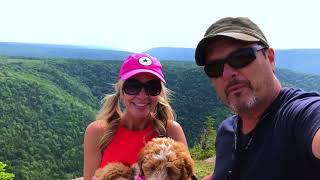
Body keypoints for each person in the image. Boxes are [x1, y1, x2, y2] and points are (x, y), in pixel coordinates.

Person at [194, 17, 320, 180]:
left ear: (270, 58)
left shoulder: (299, 116)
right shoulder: (227, 131)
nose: (227, 74)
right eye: (215, 68)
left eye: (241, 58)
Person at [83, 53, 188, 180]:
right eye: (133, 86)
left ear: (159, 93)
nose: (142, 95)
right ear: (121, 92)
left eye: (152, 87)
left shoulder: (171, 130)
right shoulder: (98, 131)